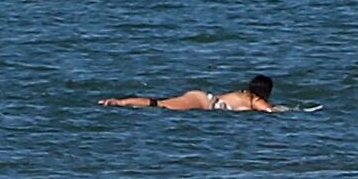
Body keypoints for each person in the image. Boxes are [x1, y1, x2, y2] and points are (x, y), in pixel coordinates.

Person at [100, 76, 277, 112]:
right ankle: (118, 103)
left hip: (202, 97)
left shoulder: (243, 94)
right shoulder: (256, 100)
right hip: (205, 104)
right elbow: (270, 111)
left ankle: (120, 102)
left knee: (160, 103)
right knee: (161, 105)